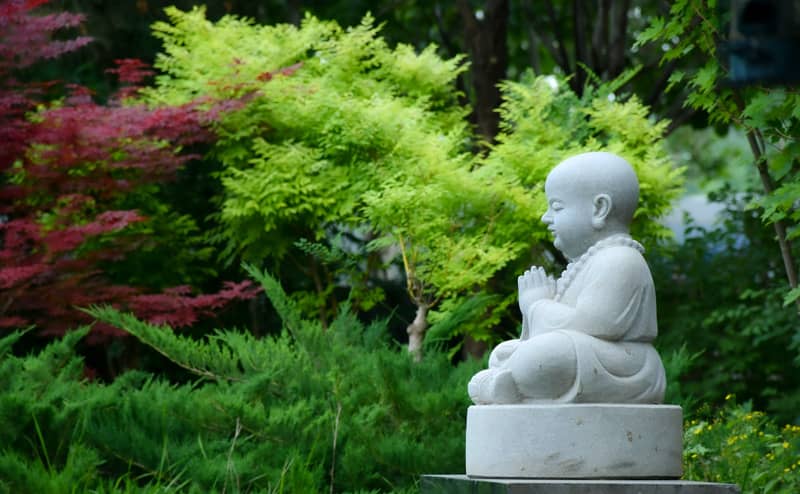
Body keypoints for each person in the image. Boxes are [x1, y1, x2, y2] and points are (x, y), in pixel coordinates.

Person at [468, 152, 666, 405]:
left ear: (599, 209)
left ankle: (509, 382)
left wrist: (537, 305)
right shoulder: (591, 261)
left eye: (557, 207)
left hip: (626, 366)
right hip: (590, 356)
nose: (546, 217)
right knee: (503, 352)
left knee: (551, 352)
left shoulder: (620, 260)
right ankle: (509, 381)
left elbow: (595, 325)